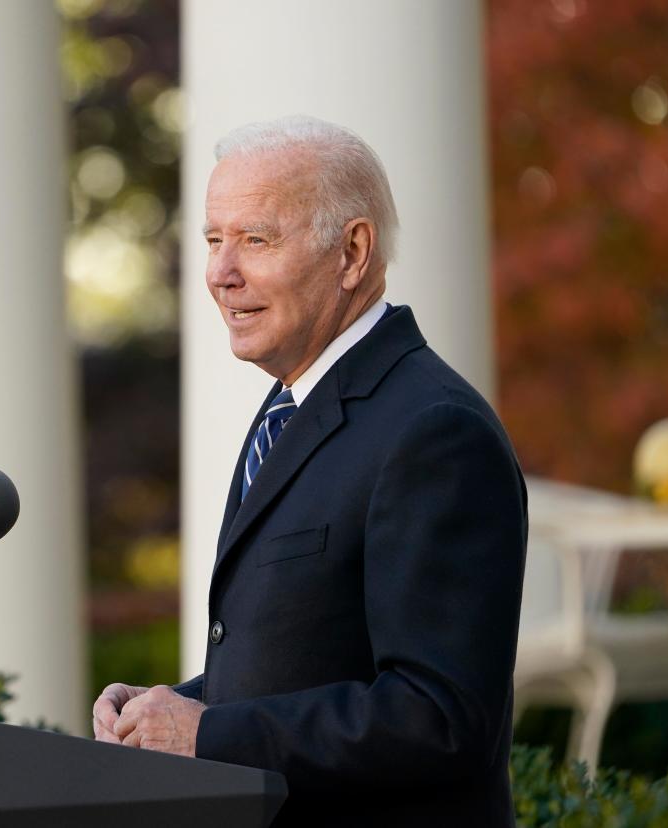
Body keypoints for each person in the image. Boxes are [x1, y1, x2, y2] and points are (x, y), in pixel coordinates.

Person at [92, 115, 528, 826]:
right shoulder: (291, 406)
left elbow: (440, 717)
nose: (220, 272)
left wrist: (208, 734)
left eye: (256, 239)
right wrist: (168, 711)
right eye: (213, 239)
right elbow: (308, 662)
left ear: (352, 252)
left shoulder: (435, 431)